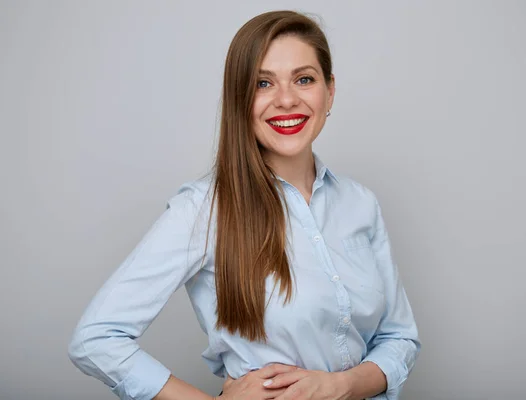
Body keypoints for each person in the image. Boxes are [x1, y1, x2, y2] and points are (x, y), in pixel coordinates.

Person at [68, 10, 420, 400]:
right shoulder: (204, 208)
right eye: (262, 83)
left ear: (330, 91)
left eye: (304, 79)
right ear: (240, 97)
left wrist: (341, 386)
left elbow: (399, 337)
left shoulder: (360, 203)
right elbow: (96, 339)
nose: (287, 99)